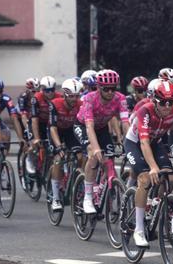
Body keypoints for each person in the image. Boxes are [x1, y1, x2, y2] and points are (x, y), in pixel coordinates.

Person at [124, 81, 173, 247]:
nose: (167, 106)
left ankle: (155, 204)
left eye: (171, 102)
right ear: (155, 101)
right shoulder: (145, 111)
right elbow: (143, 142)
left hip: (155, 142)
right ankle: (139, 230)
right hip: (134, 143)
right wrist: (153, 167)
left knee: (168, 177)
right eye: (163, 102)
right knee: (145, 179)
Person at [76, 69, 130, 214]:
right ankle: (88, 197)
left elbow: (125, 123)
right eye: (106, 89)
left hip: (102, 128)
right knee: (93, 155)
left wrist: (130, 144)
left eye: (113, 88)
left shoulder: (120, 99)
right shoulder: (89, 98)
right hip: (83, 125)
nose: (110, 92)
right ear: (99, 87)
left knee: (109, 159)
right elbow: (89, 126)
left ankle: (105, 188)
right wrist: (95, 148)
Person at [47, 79, 85, 211]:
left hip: (70, 131)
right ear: (64, 95)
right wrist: (59, 146)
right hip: (56, 131)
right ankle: (56, 198)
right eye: (71, 96)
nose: (74, 99)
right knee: (58, 159)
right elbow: (52, 128)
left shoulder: (81, 104)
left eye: (77, 96)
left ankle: (77, 182)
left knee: (81, 156)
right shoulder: (55, 104)